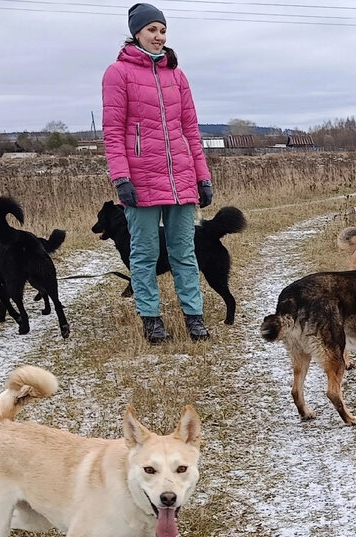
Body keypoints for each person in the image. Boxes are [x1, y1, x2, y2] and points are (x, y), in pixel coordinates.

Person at [102, 3, 215, 343]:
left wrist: (202, 176)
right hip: (141, 180)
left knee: (184, 252)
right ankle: (152, 320)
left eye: (162, 30)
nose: (159, 36)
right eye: (152, 30)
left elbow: (190, 131)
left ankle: (193, 318)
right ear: (136, 32)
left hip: (181, 180)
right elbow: (112, 132)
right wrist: (121, 178)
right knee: (145, 254)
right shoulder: (117, 73)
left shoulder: (176, 75)